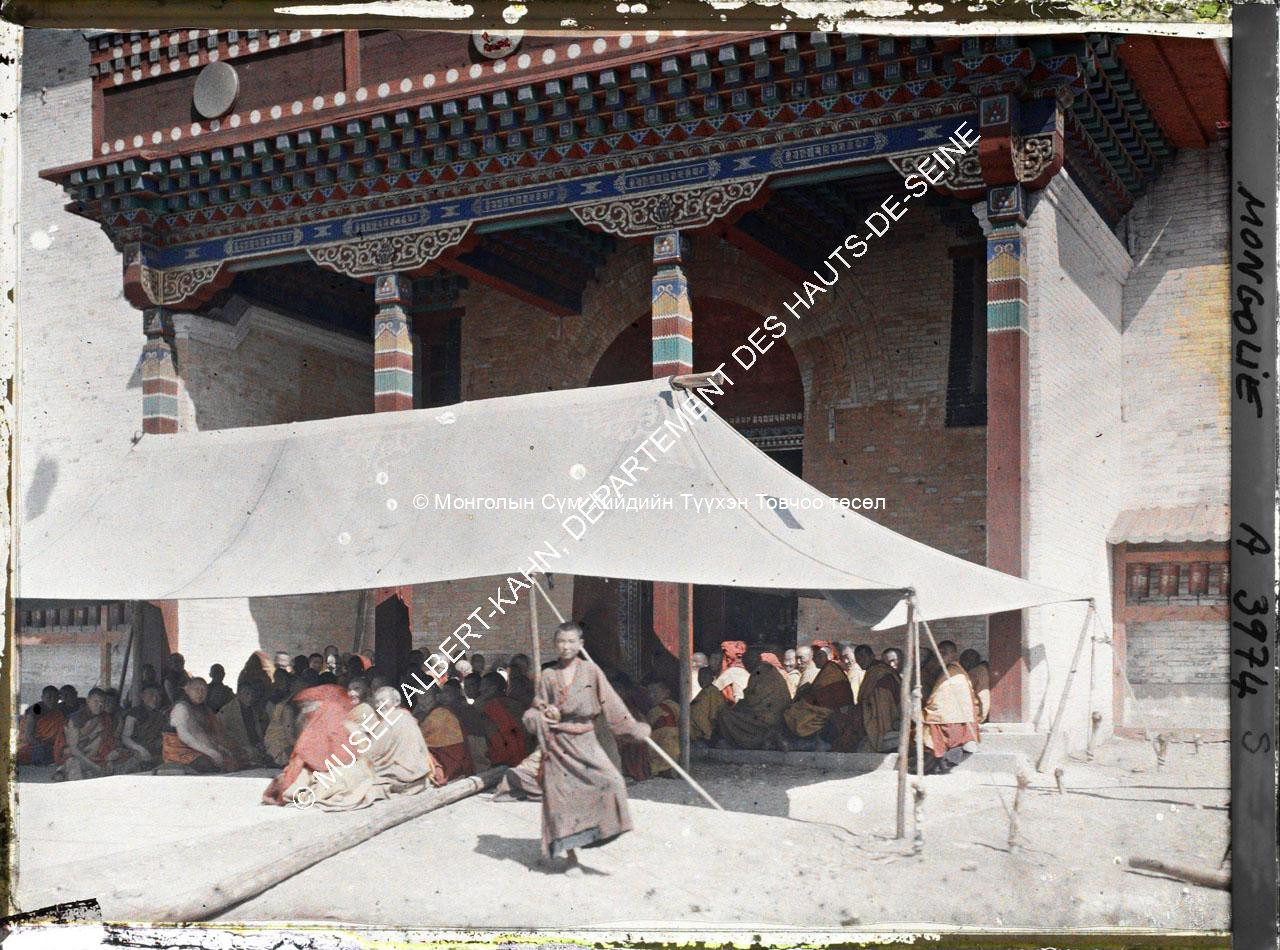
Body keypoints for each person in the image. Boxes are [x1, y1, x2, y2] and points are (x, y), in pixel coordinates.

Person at [519, 622, 651, 870]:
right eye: (561, 642)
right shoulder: (548, 676)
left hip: (586, 740)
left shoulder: (591, 672)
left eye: (571, 642)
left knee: (611, 780)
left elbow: (611, 704)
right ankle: (571, 858)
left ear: (580, 645)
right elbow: (535, 709)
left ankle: (597, 832)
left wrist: (633, 729)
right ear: (555, 644)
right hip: (557, 745)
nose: (566, 647)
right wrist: (540, 716)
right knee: (563, 800)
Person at [262, 684, 390, 811]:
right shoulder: (335, 716)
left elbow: (308, 754)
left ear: (318, 703)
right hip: (350, 771)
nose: (305, 710)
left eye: (307, 705)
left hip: (334, 772)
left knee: (300, 780)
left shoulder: (325, 718)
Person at [363, 685, 443, 794]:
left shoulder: (392, 720)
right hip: (419, 774)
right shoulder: (407, 717)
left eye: (383, 701)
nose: (379, 705)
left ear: (396, 702)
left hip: (400, 775)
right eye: (377, 702)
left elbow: (371, 754)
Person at [918, 640, 981, 773]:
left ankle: (935, 767)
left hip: (951, 720)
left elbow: (939, 699)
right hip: (954, 716)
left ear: (953, 655)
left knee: (929, 733)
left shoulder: (952, 673)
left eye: (944, 653)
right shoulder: (950, 670)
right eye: (939, 654)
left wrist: (928, 710)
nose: (940, 657)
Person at [52, 687, 138, 781]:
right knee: (74, 764)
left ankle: (63, 771)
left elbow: (107, 740)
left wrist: (109, 757)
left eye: (102, 702)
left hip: (98, 753)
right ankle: (64, 770)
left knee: (131, 759)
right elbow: (74, 750)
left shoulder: (105, 717)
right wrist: (95, 766)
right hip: (78, 754)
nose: (99, 705)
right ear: (88, 701)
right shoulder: (76, 719)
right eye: (96, 701)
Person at [162, 678, 240, 773]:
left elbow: (206, 735)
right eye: (196, 689)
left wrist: (219, 748)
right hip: (179, 752)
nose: (200, 693)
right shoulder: (181, 707)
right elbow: (185, 737)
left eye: (204, 690)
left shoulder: (205, 710)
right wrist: (210, 752)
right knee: (209, 763)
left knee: (232, 758)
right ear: (187, 690)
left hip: (199, 749)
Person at [717, 653, 791, 750]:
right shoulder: (772, 671)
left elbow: (751, 701)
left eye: (747, 663)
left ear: (755, 661)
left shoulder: (758, 672)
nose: (746, 666)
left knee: (725, 715)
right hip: (779, 713)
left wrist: (738, 706)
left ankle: (743, 743)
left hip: (767, 717)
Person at [417, 684, 475, 781]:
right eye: (419, 698)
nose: (422, 701)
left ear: (436, 697)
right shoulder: (429, 712)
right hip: (456, 763)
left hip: (451, 766)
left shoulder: (440, 714)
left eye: (426, 697)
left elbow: (419, 737)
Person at [854, 646, 902, 752]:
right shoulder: (873, 671)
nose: (860, 661)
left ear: (872, 656)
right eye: (857, 659)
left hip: (884, 711)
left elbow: (880, 699)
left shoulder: (880, 671)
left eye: (863, 657)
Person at [478, 672, 527, 767]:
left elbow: (494, 736)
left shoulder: (490, 707)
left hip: (505, 761)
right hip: (526, 757)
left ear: (493, 688)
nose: (480, 690)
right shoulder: (517, 704)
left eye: (483, 686)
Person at [218, 680, 272, 766]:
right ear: (238, 694)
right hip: (237, 746)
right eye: (247, 694)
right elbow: (220, 732)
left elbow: (256, 730)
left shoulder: (253, 710)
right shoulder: (227, 711)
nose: (250, 697)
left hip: (254, 745)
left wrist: (260, 743)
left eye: (252, 694)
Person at [120, 684, 168, 766]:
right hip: (137, 749)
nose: (155, 698)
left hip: (156, 750)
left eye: (158, 696)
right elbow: (125, 737)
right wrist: (140, 749)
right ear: (142, 696)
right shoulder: (134, 713)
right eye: (151, 694)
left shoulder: (161, 715)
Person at [18, 685, 67, 765]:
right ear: (42, 697)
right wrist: (41, 745)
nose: (52, 700)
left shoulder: (59, 712)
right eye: (49, 697)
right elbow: (28, 737)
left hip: (51, 745)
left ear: (58, 699)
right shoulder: (36, 709)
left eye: (55, 698)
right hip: (31, 745)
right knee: (42, 751)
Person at [644, 678, 680, 777]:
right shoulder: (676, 706)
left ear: (667, 693)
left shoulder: (656, 710)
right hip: (674, 744)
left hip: (662, 740)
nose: (652, 696)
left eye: (655, 692)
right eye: (650, 693)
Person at [688, 666, 723, 743]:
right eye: (700, 677)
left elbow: (714, 712)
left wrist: (713, 732)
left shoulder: (712, 691)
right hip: (694, 730)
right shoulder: (703, 692)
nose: (702, 679)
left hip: (706, 732)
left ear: (712, 679)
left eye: (705, 676)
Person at [960, 649, 991, 724]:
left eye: (966, 660)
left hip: (975, 715)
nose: (964, 664)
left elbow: (983, 695)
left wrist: (981, 717)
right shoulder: (981, 670)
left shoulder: (976, 673)